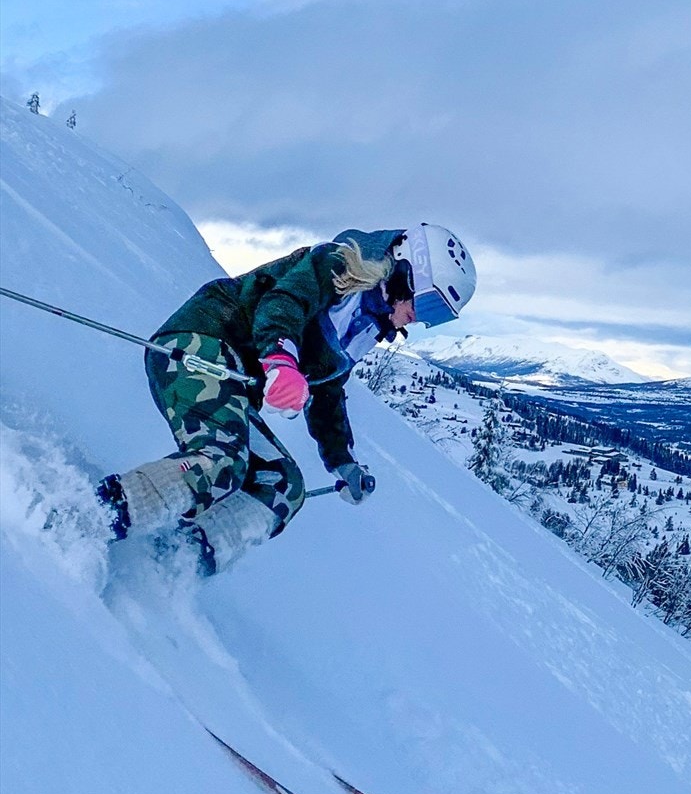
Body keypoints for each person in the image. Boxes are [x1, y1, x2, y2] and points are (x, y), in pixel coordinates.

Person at [97, 224, 476, 574]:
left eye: (436, 317)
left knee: (283, 486)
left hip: (234, 381)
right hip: (201, 342)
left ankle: (168, 564)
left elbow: (328, 391)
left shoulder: (366, 324)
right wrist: (281, 359)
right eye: (427, 306)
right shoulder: (338, 264)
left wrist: (342, 461)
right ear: (407, 273)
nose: (418, 319)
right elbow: (284, 302)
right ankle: (92, 515)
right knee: (223, 461)